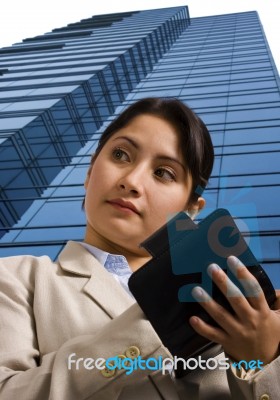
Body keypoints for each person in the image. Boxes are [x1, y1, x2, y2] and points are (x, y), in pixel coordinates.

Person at [0, 97, 279, 400]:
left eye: (163, 173)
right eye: (121, 154)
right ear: (89, 172)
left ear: (190, 211)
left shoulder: (231, 316)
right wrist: (157, 318)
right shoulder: (17, 277)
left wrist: (262, 360)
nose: (131, 181)